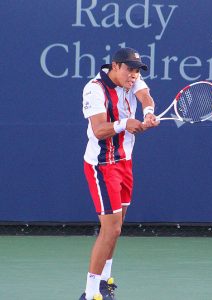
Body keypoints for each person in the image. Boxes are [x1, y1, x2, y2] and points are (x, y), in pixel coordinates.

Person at [79, 47, 158, 300]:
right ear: (115, 66)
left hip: (125, 162)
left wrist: (147, 113)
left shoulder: (132, 80)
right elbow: (100, 129)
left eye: (137, 70)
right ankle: (90, 293)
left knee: (117, 227)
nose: (133, 75)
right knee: (110, 229)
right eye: (129, 69)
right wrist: (126, 123)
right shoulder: (94, 88)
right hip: (102, 165)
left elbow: (145, 96)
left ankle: (104, 282)